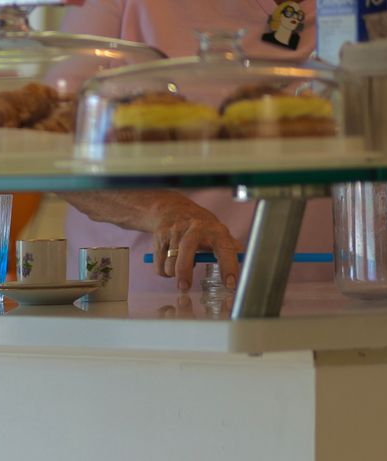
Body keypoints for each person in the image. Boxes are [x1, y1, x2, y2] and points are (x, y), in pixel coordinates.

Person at [56, 0, 336, 294]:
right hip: (151, 304)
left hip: (335, 300)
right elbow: (53, 144)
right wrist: (163, 210)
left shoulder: (373, 9)